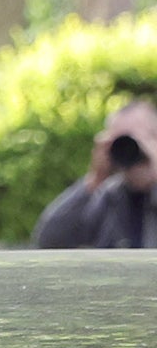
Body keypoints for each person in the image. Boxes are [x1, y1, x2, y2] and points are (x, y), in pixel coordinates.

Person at [33, 100, 157, 248]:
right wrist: (94, 180)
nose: (131, 148)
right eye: (121, 141)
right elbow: (49, 239)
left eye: (141, 138)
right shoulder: (109, 196)